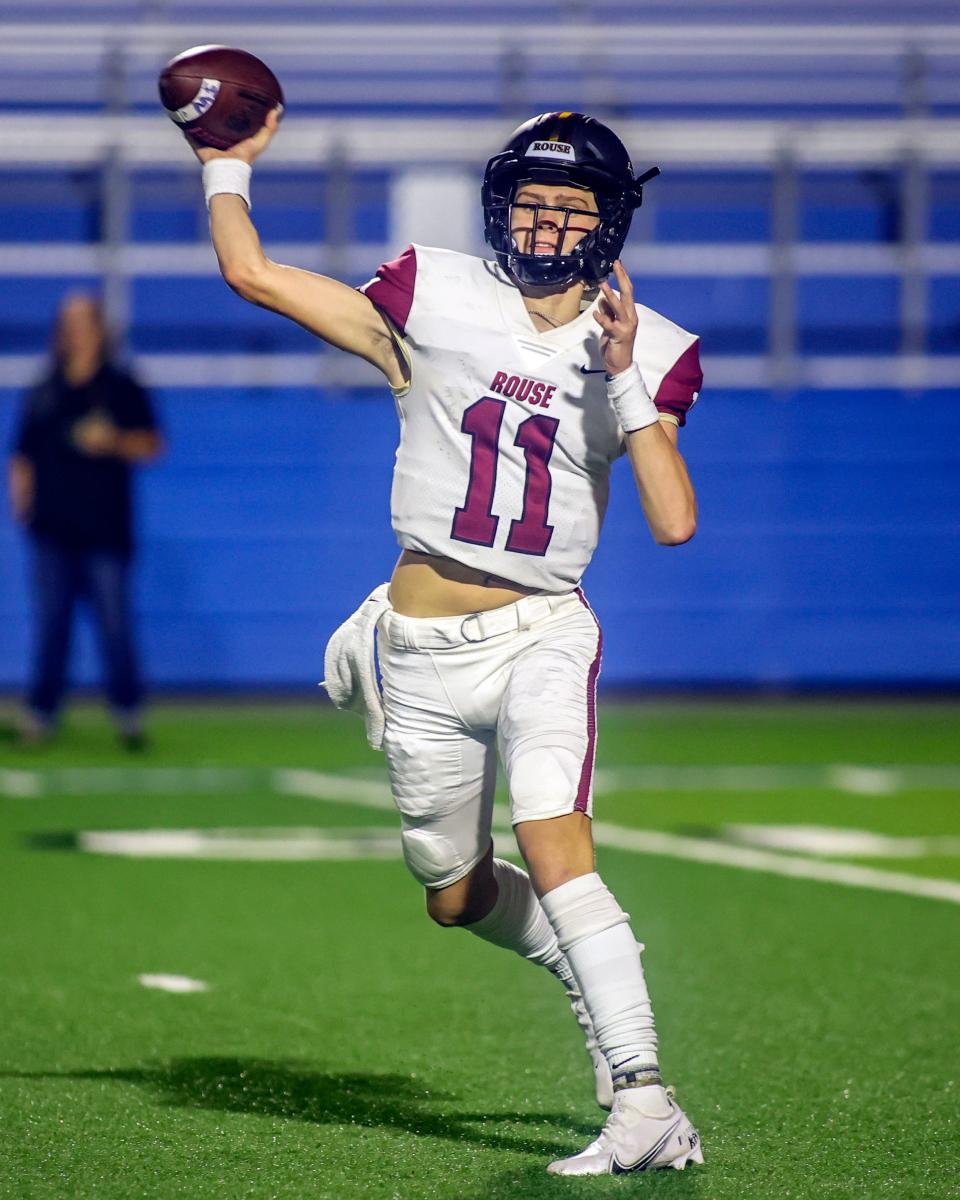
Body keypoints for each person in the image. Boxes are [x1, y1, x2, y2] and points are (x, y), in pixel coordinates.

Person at [192, 108, 704, 1175]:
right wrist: (226, 162)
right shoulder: (436, 297)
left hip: (540, 633)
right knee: (454, 896)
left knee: (557, 844)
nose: (550, 225)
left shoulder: (646, 347)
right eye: (533, 202)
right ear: (500, 205)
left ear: (610, 222)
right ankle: (584, 963)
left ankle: (645, 1096)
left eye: (572, 208)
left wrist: (620, 374)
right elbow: (252, 275)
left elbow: (673, 519)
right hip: (420, 650)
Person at [7, 293, 164, 748]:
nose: (75, 331)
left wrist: (112, 440)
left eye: (83, 322)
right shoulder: (45, 389)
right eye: (67, 323)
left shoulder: (121, 385)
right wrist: (21, 500)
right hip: (51, 529)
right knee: (52, 625)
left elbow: (152, 444)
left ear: (100, 329)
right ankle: (42, 711)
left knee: (115, 625)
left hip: (105, 531)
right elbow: (22, 453)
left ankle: (128, 712)